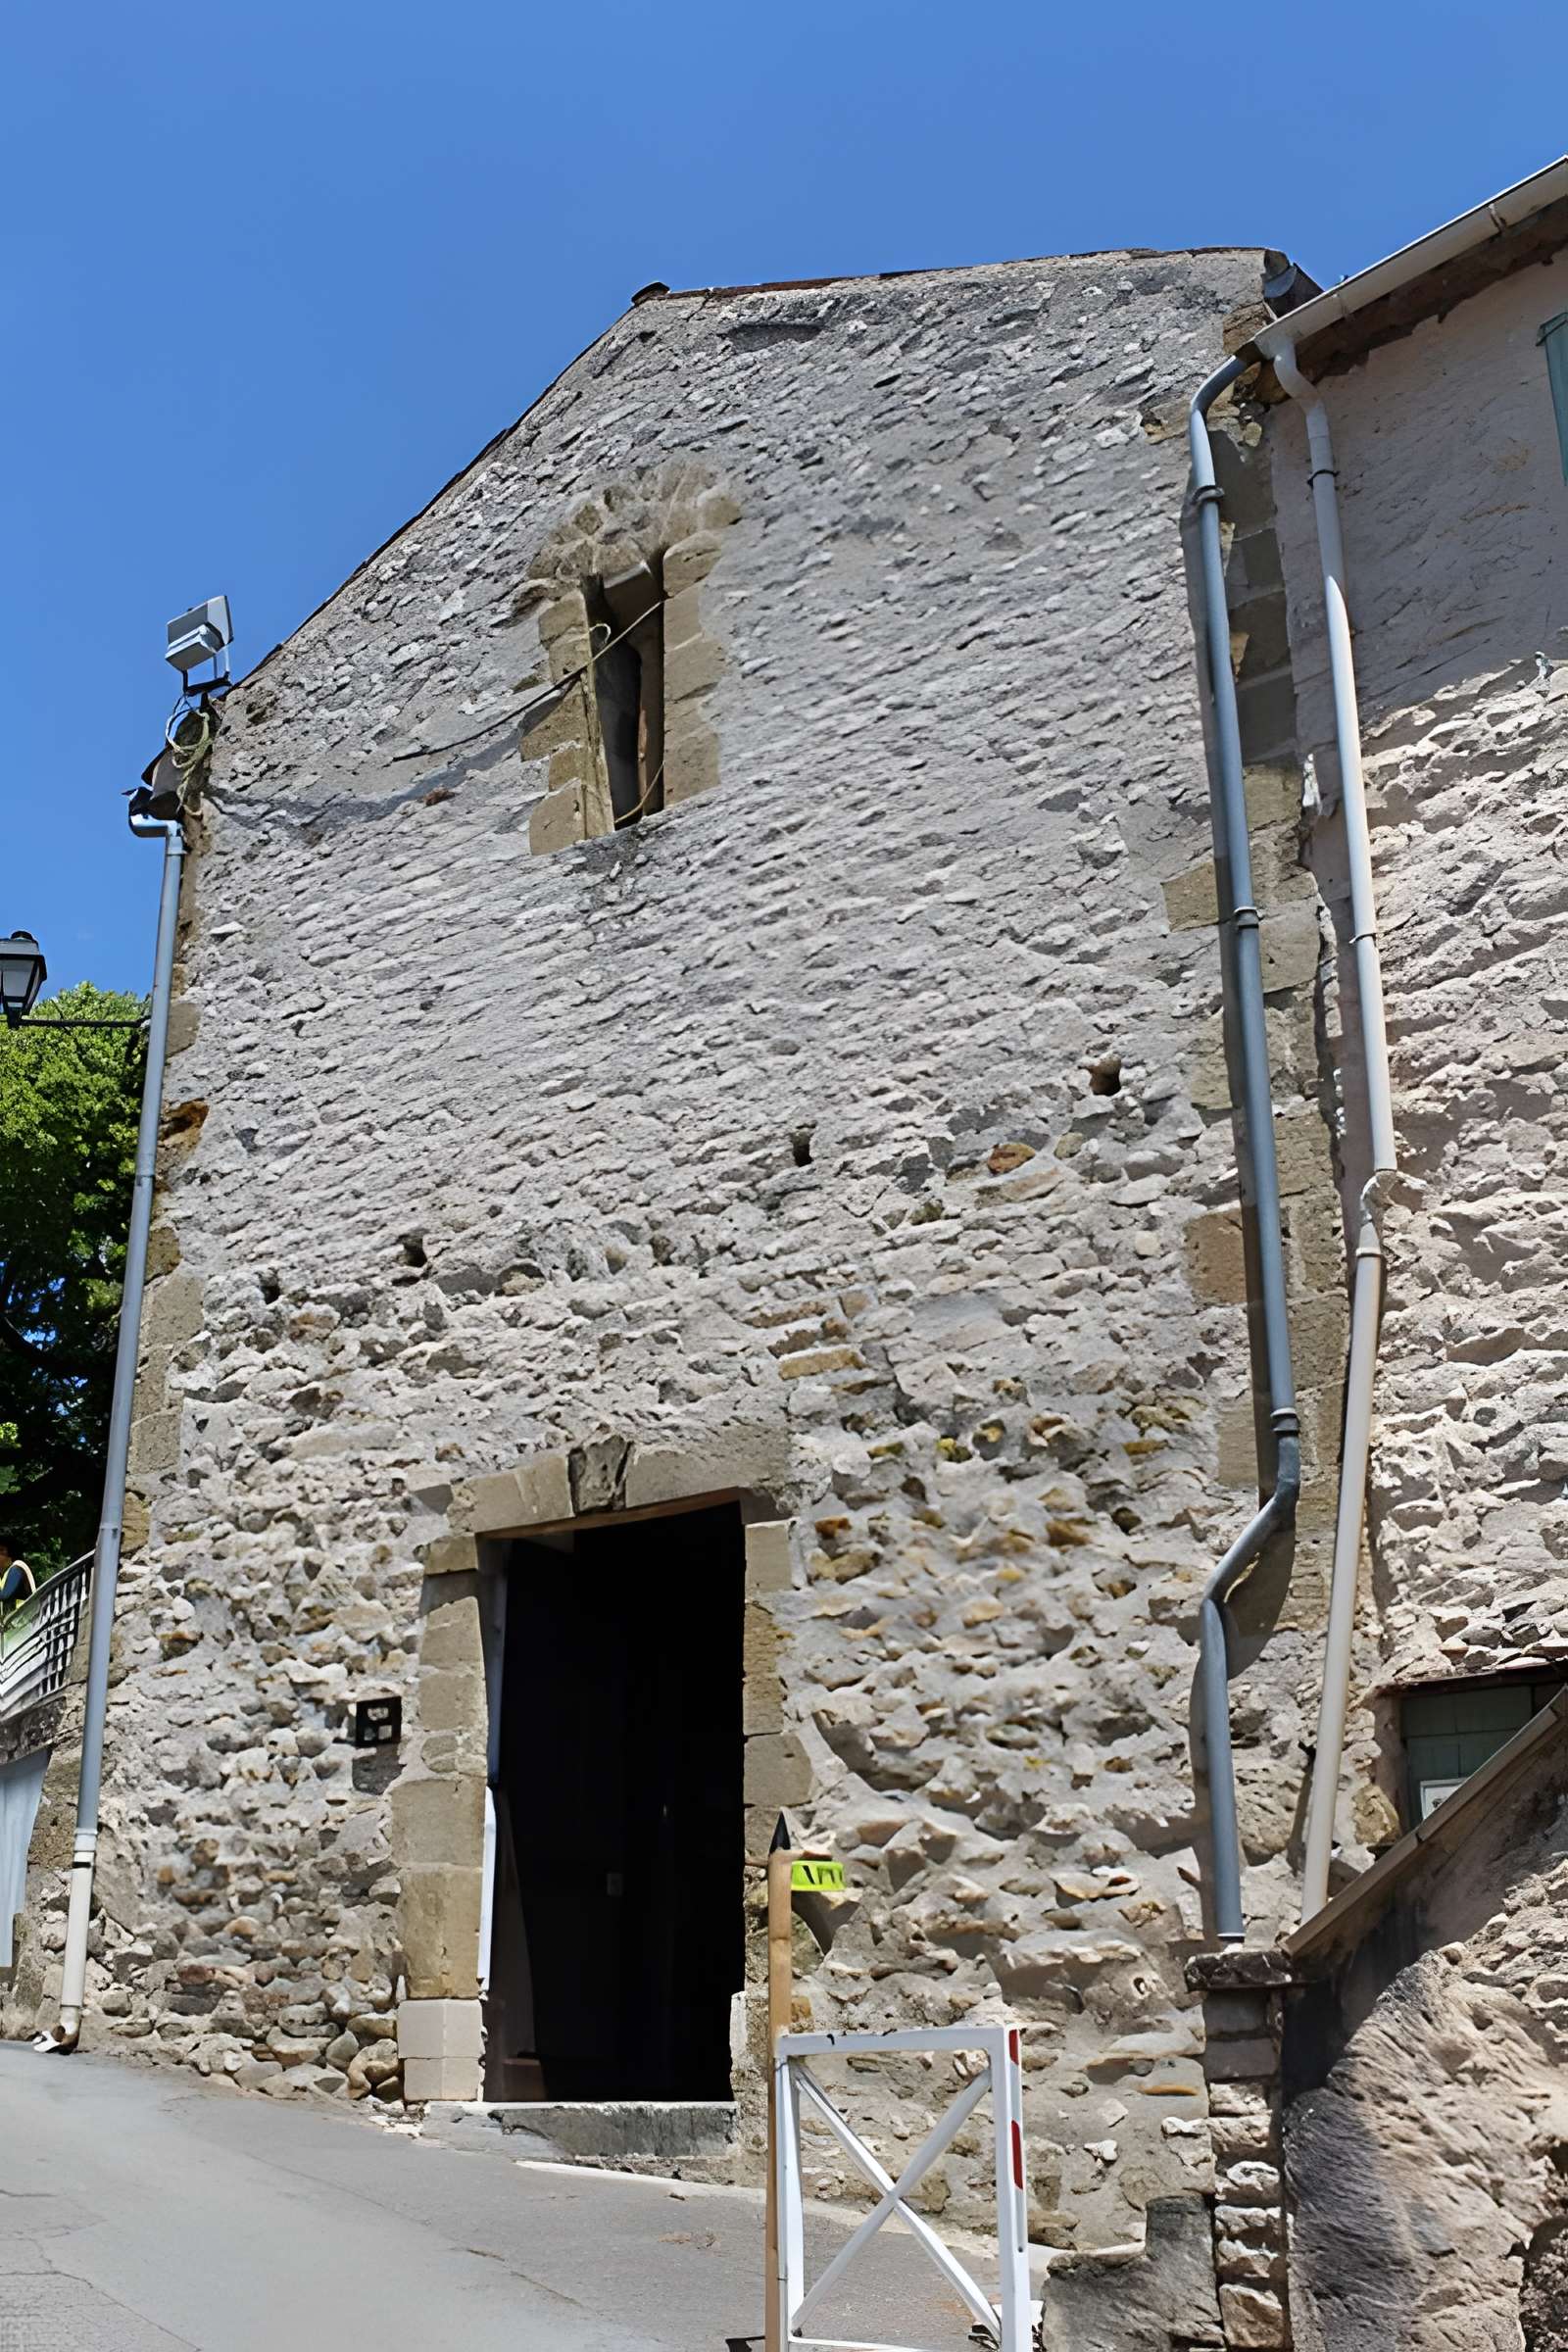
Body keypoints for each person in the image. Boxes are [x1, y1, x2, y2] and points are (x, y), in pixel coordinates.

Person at [0, 1533, 37, 1612]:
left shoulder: (17, 1567)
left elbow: (5, 1595)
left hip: (29, 1618)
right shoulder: (3, 1576)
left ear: (8, 1555)